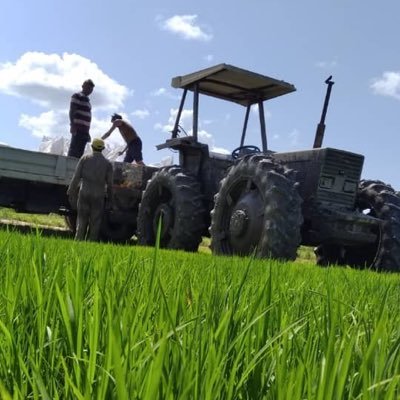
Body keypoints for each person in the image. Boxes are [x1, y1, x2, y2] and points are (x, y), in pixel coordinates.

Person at [67, 138, 113, 241]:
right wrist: (110, 199)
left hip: (84, 193)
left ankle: (78, 241)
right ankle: (91, 242)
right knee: (95, 221)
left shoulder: (85, 158)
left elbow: (76, 177)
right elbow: (110, 184)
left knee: (81, 219)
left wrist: (71, 191)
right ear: (103, 149)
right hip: (98, 196)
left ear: (92, 147)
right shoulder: (107, 164)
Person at [67, 79, 95, 158]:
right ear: (83, 86)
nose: (90, 90)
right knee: (74, 151)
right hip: (78, 129)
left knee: (80, 152)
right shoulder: (77, 95)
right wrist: (72, 125)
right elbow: (72, 110)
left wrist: (88, 132)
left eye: (91, 89)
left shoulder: (87, 101)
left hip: (84, 131)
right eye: (88, 88)